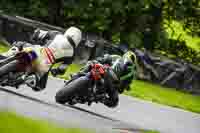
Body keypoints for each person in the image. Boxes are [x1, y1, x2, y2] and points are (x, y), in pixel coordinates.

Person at [1, 26, 82, 91]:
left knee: (20, 44)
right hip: (45, 65)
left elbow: (38, 33)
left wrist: (35, 37)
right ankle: (26, 78)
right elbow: (62, 69)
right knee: (40, 87)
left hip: (37, 51)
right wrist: (55, 72)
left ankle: (6, 55)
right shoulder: (72, 55)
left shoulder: (56, 34)